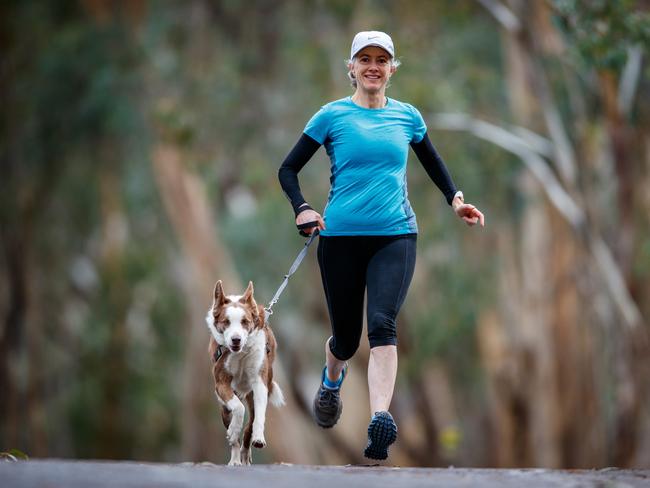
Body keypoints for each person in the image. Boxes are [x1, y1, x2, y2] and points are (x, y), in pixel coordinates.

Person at [278, 31, 484, 461]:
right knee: (347, 341)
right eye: (364, 59)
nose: (373, 66)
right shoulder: (331, 116)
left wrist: (456, 200)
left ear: (393, 68)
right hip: (338, 240)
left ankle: (379, 420)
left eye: (382, 60)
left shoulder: (407, 116)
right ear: (350, 67)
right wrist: (302, 208)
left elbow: (432, 160)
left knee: (383, 325)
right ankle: (332, 380)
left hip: (395, 235)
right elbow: (288, 169)